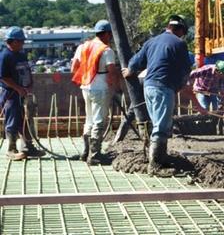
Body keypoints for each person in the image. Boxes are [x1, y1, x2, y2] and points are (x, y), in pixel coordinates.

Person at [122, 15, 201, 175]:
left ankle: (160, 157)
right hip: (163, 87)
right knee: (162, 125)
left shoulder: (151, 41)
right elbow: (185, 71)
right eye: (182, 33)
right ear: (179, 30)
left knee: (157, 122)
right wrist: (178, 87)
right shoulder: (179, 44)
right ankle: (156, 165)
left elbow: (135, 62)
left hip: (149, 87)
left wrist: (130, 70)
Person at [71, 20, 118, 165]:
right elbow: (112, 71)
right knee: (99, 120)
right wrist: (116, 87)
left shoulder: (83, 47)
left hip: (86, 87)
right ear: (107, 33)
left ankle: (86, 152)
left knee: (89, 119)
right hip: (101, 89)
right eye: (110, 34)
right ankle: (95, 154)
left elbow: (74, 68)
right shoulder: (106, 50)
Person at [0, 26, 45, 160]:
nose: (22, 43)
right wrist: (17, 88)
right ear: (12, 41)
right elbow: (3, 76)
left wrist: (29, 85)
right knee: (12, 120)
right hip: (11, 94)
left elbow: (27, 70)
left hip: (23, 93)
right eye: (20, 41)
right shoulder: (5, 56)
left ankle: (28, 147)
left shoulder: (21, 54)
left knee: (27, 120)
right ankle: (11, 149)